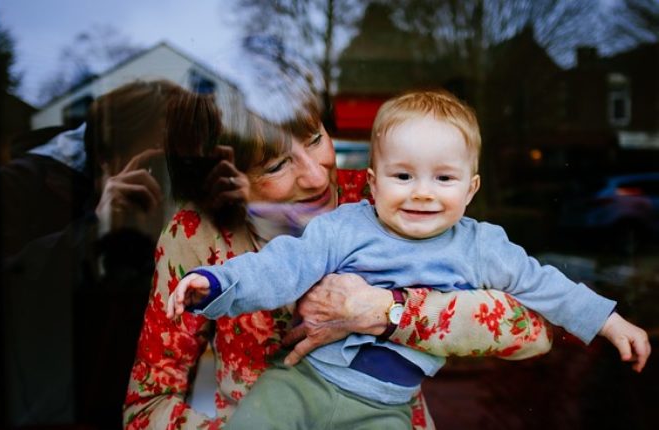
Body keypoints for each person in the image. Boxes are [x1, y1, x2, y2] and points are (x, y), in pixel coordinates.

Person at [167, 89, 652, 429]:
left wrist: (608, 321)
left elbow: (544, 293)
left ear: (472, 188)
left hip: (385, 409)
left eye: (444, 179)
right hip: (301, 384)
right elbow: (282, 266)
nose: (422, 193)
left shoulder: (481, 246)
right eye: (403, 177)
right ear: (373, 183)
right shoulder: (345, 224)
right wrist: (216, 283)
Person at [0, 79, 247, 429]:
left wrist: (235, 230)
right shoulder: (27, 190)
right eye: (159, 163)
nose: (172, 181)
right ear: (104, 160)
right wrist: (92, 233)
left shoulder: (189, 219)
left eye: (187, 166)